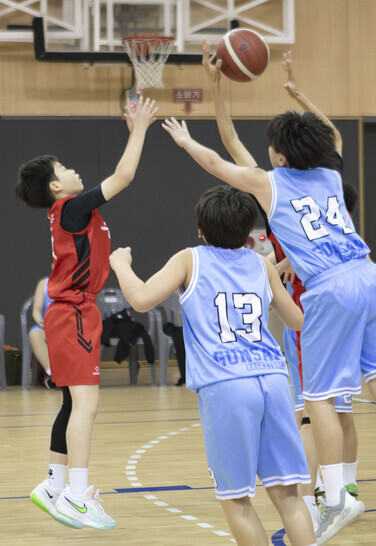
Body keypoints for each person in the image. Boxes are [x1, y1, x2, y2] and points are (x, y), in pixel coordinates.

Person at [164, 94, 376, 544]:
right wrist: (301, 98)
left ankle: (334, 497)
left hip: (329, 288)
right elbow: (333, 136)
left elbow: (217, 162)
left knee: (317, 400)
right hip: (371, 275)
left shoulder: (269, 183)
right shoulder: (331, 175)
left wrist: (185, 142)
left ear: (280, 155)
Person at [109, 185, 315, 545]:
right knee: (289, 496)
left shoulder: (190, 259)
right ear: (247, 233)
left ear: (201, 229)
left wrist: (120, 265)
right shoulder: (260, 264)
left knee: (237, 500)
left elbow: (140, 299)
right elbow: (296, 320)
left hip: (227, 384)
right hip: (273, 378)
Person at [18, 97, 158, 530]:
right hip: (73, 314)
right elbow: (125, 175)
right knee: (87, 404)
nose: (72, 169)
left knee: (71, 402)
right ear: (55, 186)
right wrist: (140, 129)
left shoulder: (75, 212)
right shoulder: (71, 208)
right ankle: (77, 497)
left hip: (74, 312)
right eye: (64, 168)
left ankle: (54, 485)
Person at [29, 274, 56, 389]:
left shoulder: (74, 282)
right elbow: (36, 310)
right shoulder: (44, 284)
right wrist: (41, 322)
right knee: (35, 334)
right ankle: (53, 375)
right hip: (46, 327)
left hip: (67, 328)